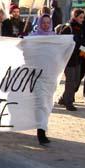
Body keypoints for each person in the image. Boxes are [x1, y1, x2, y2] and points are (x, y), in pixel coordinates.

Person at [29, 14, 54, 144]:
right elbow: (26, 52)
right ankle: (41, 133)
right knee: (41, 103)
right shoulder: (33, 38)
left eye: (47, 23)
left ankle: (43, 128)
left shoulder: (55, 38)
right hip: (37, 76)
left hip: (50, 76)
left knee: (47, 104)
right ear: (39, 23)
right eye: (43, 22)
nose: (45, 25)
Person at [58, 9, 84, 111]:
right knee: (70, 82)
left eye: (83, 17)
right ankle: (68, 103)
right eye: (80, 17)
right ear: (75, 17)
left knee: (76, 81)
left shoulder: (80, 28)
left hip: (78, 58)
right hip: (69, 59)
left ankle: (63, 98)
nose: (82, 19)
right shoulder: (68, 27)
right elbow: (62, 41)